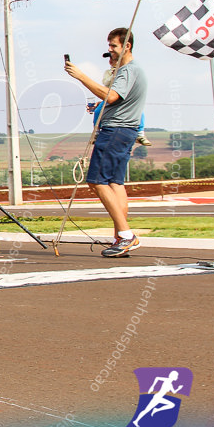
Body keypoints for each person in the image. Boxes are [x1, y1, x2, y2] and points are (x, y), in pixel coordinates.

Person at [65, 27, 148, 258]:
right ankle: (120, 237)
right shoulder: (130, 71)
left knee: (97, 181)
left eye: (113, 46)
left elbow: (110, 96)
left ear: (126, 46)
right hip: (125, 131)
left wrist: (80, 76)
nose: (109, 51)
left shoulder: (128, 71)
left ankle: (126, 235)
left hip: (115, 131)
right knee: (115, 183)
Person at [89, 54, 152, 147]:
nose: (111, 61)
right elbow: (106, 83)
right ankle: (96, 131)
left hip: (124, 97)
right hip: (111, 96)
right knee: (98, 111)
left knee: (139, 112)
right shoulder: (108, 72)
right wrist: (113, 75)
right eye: (110, 59)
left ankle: (140, 133)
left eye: (114, 59)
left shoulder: (126, 71)